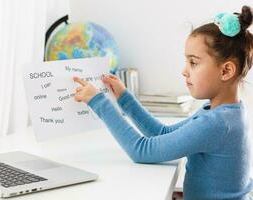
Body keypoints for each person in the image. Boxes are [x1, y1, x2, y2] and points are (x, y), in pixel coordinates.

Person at [73, 5, 253, 200]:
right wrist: (125, 99)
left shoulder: (217, 123)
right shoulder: (225, 112)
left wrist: (98, 102)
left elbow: (141, 151)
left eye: (193, 62)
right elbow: (163, 134)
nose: (184, 71)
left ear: (226, 71)